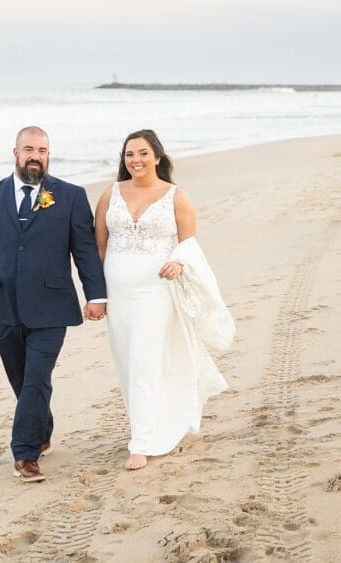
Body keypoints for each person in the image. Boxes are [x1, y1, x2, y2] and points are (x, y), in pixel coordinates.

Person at [0, 126, 107, 483]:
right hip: (4, 303)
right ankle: (43, 429)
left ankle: (25, 454)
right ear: (16, 152)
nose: (36, 155)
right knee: (24, 381)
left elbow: (84, 249)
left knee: (37, 378)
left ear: (49, 155)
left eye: (42, 149)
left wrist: (95, 294)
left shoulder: (69, 196)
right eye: (29, 148)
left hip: (53, 306)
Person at [94, 129, 234, 471]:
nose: (136, 160)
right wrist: (97, 293)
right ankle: (153, 423)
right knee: (128, 363)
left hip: (156, 291)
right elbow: (98, 246)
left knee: (144, 359)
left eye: (143, 153)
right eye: (129, 154)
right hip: (119, 293)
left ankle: (141, 443)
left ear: (157, 157)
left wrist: (178, 262)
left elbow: (189, 246)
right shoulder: (109, 194)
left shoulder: (176, 197)